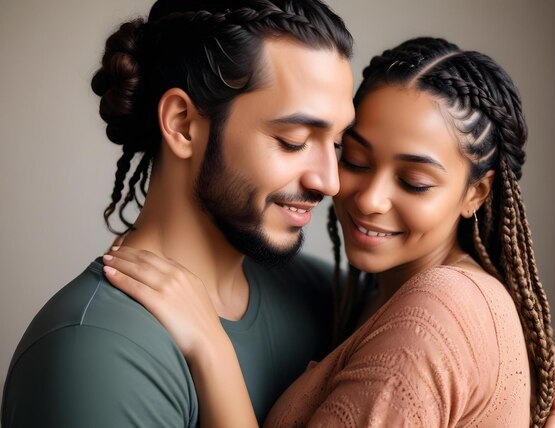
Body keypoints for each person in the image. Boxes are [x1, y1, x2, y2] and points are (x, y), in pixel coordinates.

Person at [101, 37, 555, 427]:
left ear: (476, 193)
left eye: (414, 182)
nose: (368, 198)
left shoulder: (440, 308)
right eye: (354, 159)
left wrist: (211, 349)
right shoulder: (367, 297)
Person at [1, 1, 355, 426]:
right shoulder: (96, 353)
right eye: (294, 140)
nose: (330, 182)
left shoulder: (320, 295)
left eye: (336, 144)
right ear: (183, 123)